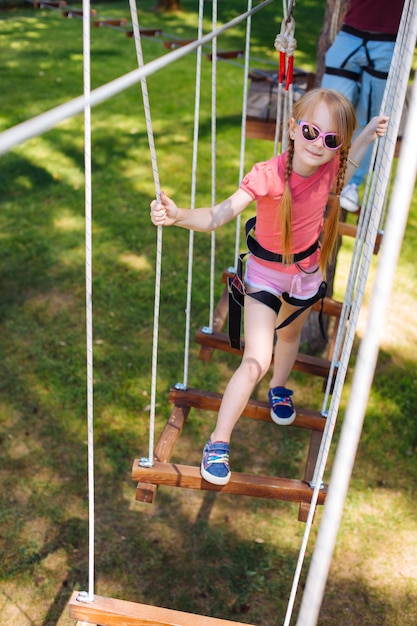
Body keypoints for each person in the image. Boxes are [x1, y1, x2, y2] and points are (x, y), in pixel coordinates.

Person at [150, 88, 388, 486]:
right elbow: (218, 214)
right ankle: (218, 441)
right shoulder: (268, 174)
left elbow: (355, 157)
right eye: (311, 132)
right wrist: (178, 216)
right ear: (293, 129)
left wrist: (365, 135)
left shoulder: (331, 171)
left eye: (330, 140)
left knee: (290, 336)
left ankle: (280, 388)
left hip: (306, 274)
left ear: (337, 148)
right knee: (256, 358)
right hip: (263, 275)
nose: (318, 144)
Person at [321, 0, 405, 212]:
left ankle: (351, 183)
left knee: (370, 121)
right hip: (350, 34)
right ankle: (314, 170)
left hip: (389, 42)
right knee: (329, 111)